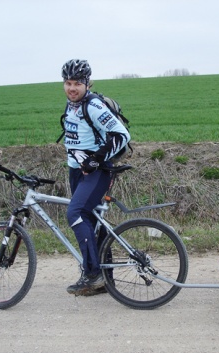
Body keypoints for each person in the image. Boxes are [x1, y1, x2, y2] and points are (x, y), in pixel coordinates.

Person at [61, 59, 130, 296]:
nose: (72, 88)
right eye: (68, 83)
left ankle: (93, 274)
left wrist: (96, 159)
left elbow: (122, 134)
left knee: (75, 213)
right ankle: (105, 280)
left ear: (87, 83)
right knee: (92, 221)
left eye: (77, 83)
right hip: (76, 171)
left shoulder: (93, 105)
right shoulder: (72, 104)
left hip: (96, 172)